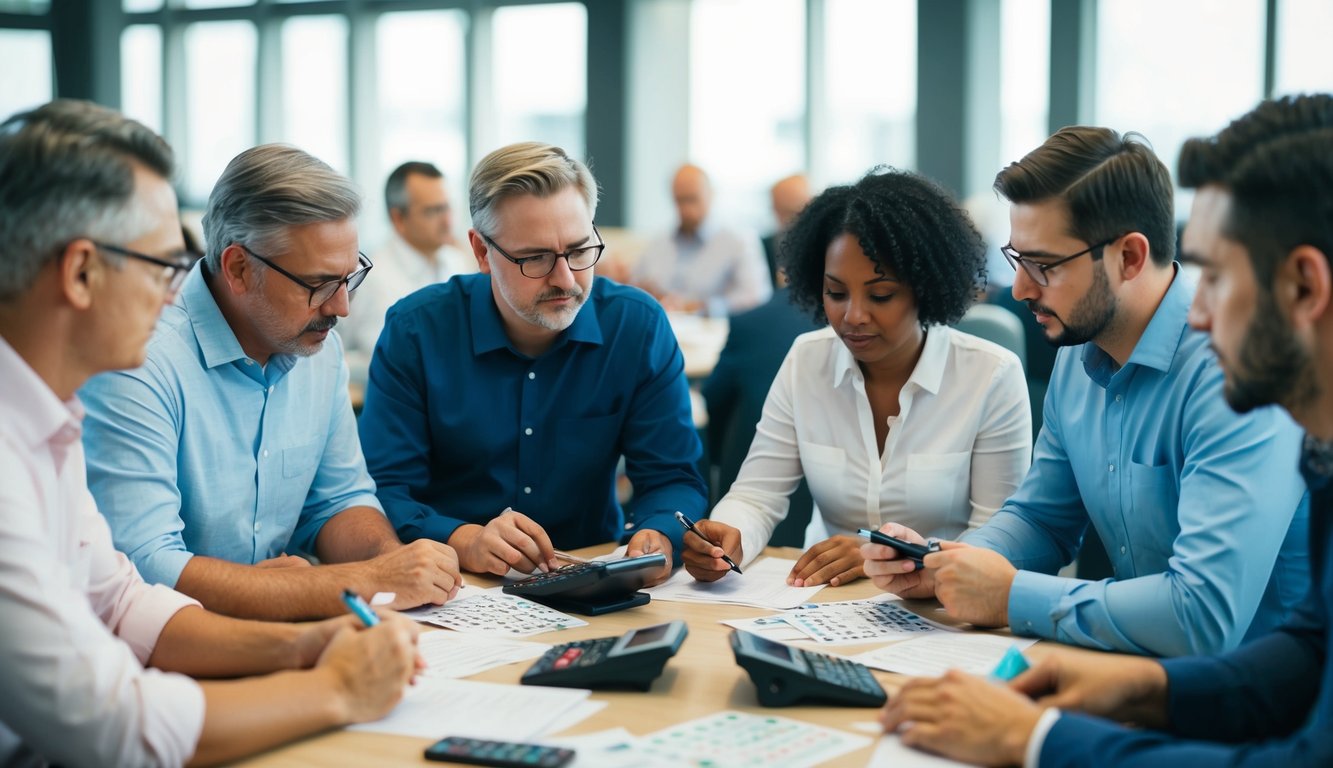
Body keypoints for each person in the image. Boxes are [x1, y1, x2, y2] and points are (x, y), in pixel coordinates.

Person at [875, 92, 1333, 768]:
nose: (1198, 313)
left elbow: (1220, 638)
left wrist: (1036, 738)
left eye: (1214, 277)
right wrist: (951, 566)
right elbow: (1306, 651)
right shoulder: (1077, 361)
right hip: (1199, 693)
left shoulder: (1237, 383)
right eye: (1016, 260)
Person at [0, 98, 420, 767]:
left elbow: (122, 602)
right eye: (164, 265)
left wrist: (304, 644)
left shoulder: (47, 421)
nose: (174, 296)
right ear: (82, 272)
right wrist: (337, 687)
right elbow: (111, 728)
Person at [80, 144, 462, 621]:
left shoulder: (317, 350)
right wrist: (359, 582)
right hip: (164, 653)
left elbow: (339, 501)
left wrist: (390, 562)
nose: (341, 307)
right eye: (319, 284)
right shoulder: (140, 359)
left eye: (350, 277)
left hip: (277, 632)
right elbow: (146, 566)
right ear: (239, 268)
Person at [358, 141, 707, 583]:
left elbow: (673, 475)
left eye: (580, 251)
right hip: (458, 584)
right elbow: (382, 491)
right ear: (482, 252)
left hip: (594, 572)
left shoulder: (635, 326)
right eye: (536, 258)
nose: (565, 280)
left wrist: (657, 534)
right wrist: (465, 538)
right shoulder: (416, 332)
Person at [683, 168, 1032, 587]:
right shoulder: (806, 360)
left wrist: (894, 558)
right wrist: (728, 533)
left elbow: (1001, 540)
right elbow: (758, 494)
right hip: (824, 604)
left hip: (946, 611)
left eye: (880, 295)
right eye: (835, 292)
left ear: (925, 288)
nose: (853, 316)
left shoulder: (991, 376)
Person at [341, 161, 476, 382]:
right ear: (398, 218)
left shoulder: (457, 263)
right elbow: (334, 353)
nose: (447, 221)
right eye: (434, 211)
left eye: (448, 207)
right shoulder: (369, 279)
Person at [632, 163, 771, 315]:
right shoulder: (659, 242)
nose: (686, 209)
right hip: (664, 326)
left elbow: (757, 296)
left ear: (711, 194)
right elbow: (637, 281)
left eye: (692, 199)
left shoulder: (739, 240)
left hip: (716, 331)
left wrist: (705, 307)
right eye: (679, 200)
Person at [760, 173, 813, 287]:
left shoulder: (828, 248)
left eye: (793, 211)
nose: (790, 221)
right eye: (781, 210)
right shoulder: (762, 247)